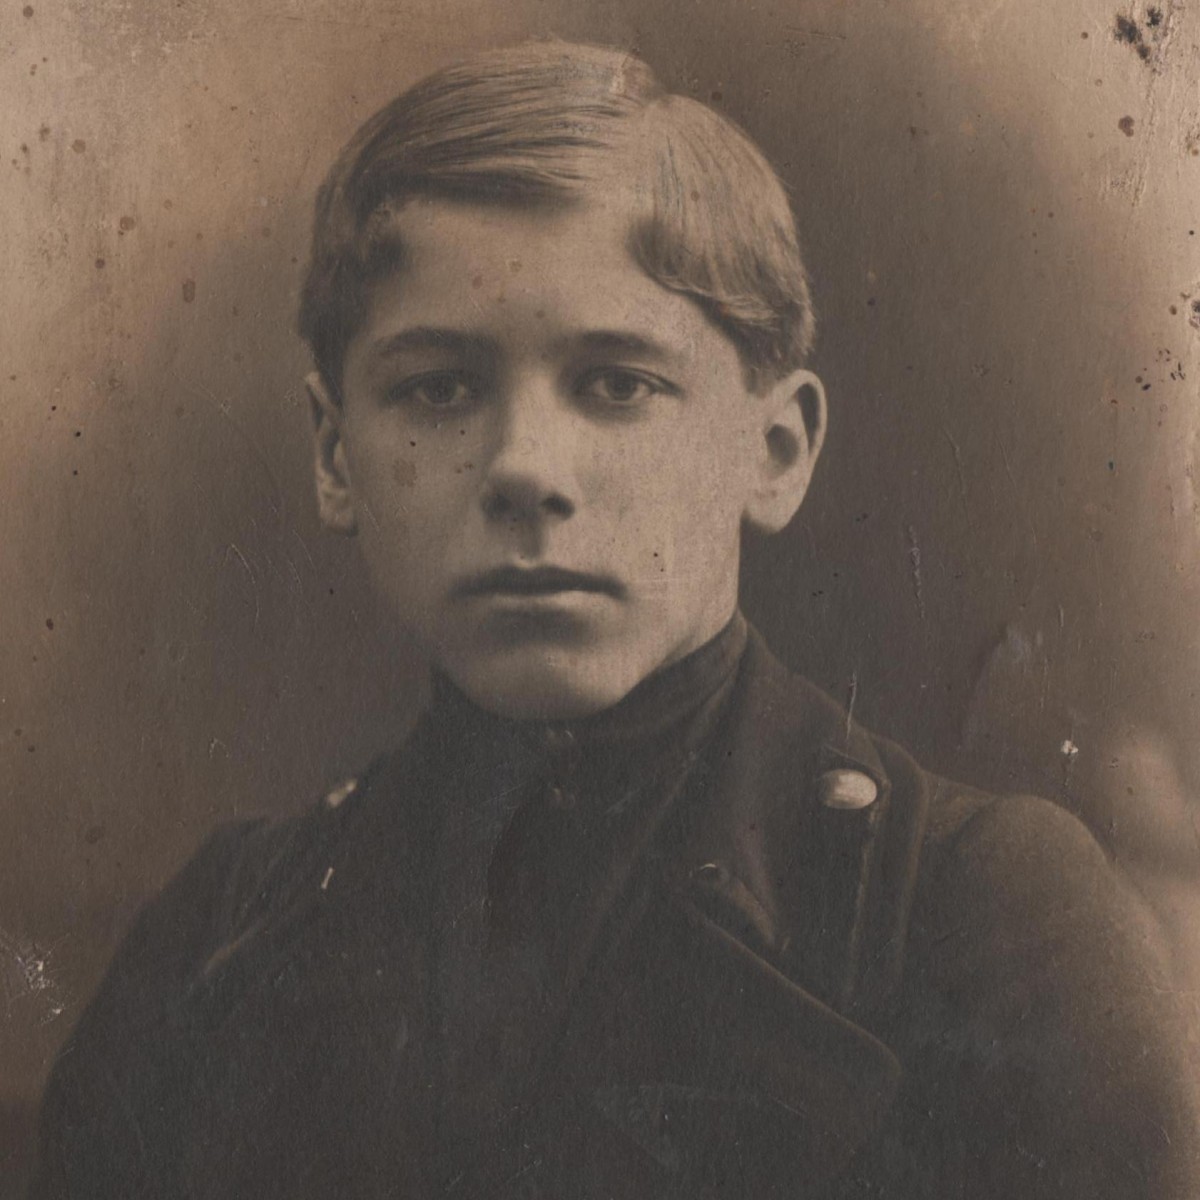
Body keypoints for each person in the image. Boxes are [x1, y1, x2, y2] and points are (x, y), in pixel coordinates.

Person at [29, 40, 1200, 1199]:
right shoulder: (222, 939)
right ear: (338, 456)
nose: (524, 469)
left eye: (618, 383)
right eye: (439, 387)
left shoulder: (969, 920)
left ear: (775, 449)